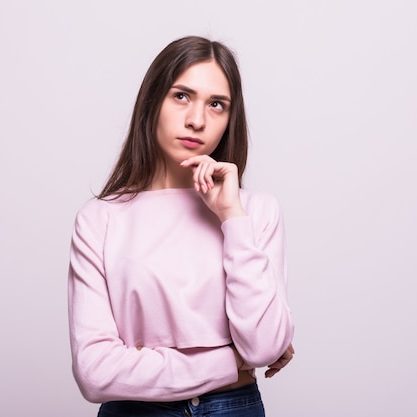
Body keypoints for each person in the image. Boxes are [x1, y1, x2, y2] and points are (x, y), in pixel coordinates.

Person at [67, 35, 295, 417]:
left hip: (233, 409)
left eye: (216, 104)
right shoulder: (100, 219)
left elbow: (264, 347)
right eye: (182, 96)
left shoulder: (254, 212)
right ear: (153, 101)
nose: (197, 120)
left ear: (229, 118)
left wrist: (231, 217)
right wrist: (226, 362)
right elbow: (95, 372)